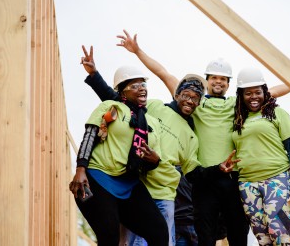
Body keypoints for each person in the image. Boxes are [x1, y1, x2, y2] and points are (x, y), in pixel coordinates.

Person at [113, 30, 290, 246]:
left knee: (238, 232)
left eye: (223, 79)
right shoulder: (196, 102)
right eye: (214, 78)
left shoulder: (236, 104)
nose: (218, 82)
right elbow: (164, 73)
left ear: (228, 84)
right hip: (205, 179)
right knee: (205, 234)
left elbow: (270, 91)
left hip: (233, 179)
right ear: (207, 80)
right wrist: (137, 51)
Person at [80, 45, 240, 246]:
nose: (190, 101)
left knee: (162, 240)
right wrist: (95, 76)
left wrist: (218, 169)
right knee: (127, 242)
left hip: (164, 195)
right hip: (138, 186)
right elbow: (119, 103)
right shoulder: (154, 108)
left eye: (195, 98)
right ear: (177, 94)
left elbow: (193, 173)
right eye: (187, 95)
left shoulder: (192, 137)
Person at [69, 65, 169, 246]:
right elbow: (91, 134)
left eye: (143, 84)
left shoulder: (151, 122)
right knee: (109, 236)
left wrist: (154, 161)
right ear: (123, 92)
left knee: (159, 231)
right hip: (99, 178)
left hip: (129, 182)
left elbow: (152, 158)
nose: (141, 88)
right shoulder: (111, 107)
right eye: (135, 85)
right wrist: (80, 169)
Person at [232, 67, 290, 245]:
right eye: (248, 93)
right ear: (241, 95)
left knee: (279, 234)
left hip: (277, 179)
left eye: (257, 92)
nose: (253, 97)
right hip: (247, 185)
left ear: (265, 92)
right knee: (263, 239)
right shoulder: (237, 119)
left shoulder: (277, 113)